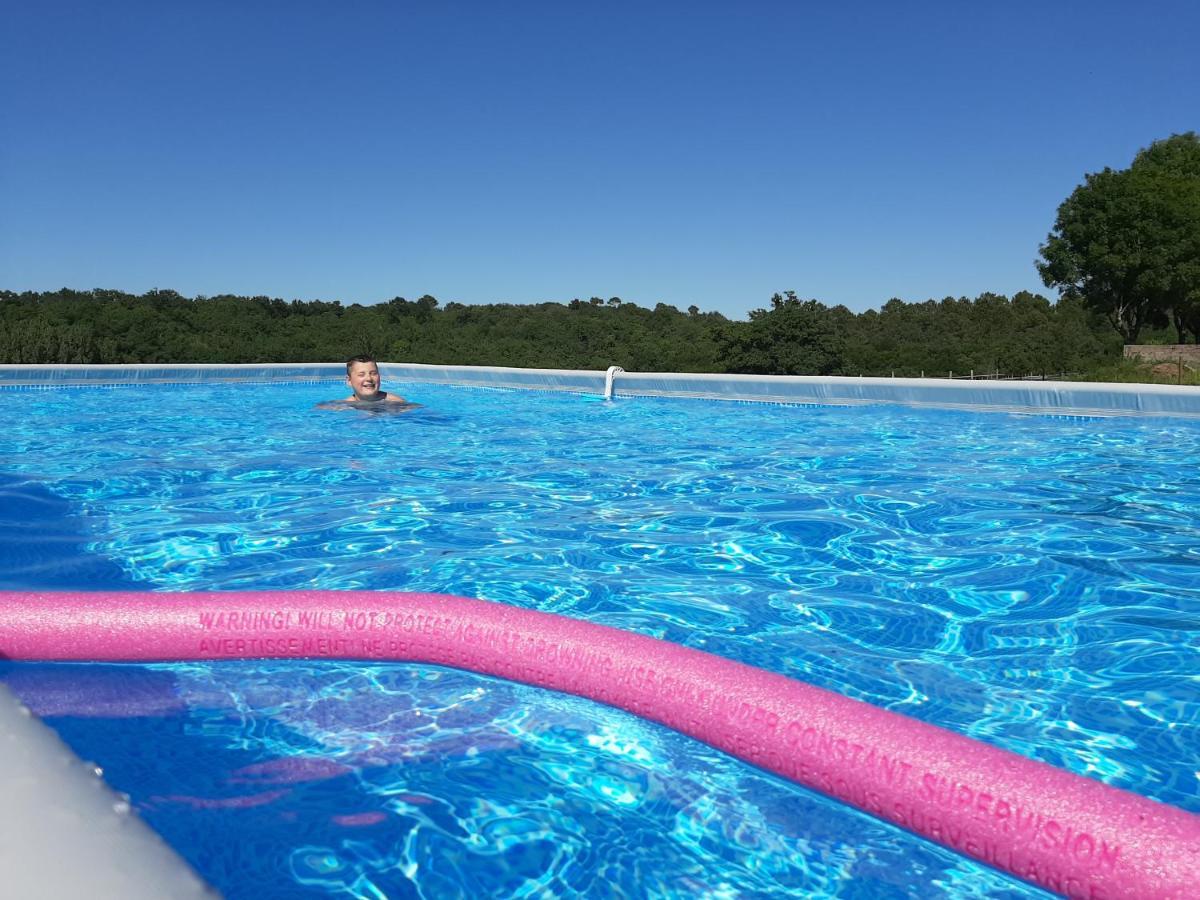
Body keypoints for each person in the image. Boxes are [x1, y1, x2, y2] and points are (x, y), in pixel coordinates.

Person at [317, 356, 414, 409]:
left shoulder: (395, 402)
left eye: (373, 373)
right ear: (349, 381)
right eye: (361, 374)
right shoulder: (345, 405)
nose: (369, 378)